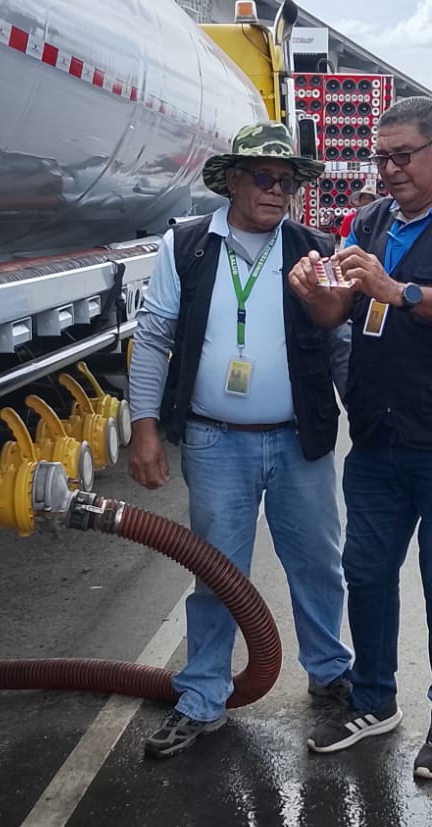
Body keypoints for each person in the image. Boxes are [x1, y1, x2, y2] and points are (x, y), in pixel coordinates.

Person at [288, 96, 432, 781]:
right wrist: (316, 292)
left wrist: (403, 291)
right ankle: (373, 701)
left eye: (403, 155)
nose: (389, 170)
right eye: (380, 157)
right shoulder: (368, 221)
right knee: (365, 571)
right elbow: (338, 308)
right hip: (379, 434)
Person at [125, 122, 353, 759]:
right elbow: (154, 340)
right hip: (214, 441)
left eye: (286, 180)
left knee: (317, 563)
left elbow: (339, 344)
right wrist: (144, 429)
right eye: (263, 177)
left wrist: (369, 421)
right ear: (231, 180)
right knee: (217, 571)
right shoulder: (188, 246)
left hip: (299, 440)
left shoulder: (315, 249)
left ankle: (331, 674)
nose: (277, 190)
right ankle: (202, 696)